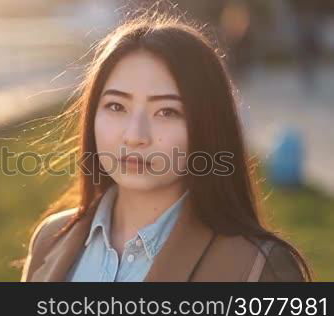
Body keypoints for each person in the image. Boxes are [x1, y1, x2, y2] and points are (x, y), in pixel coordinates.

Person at [20, 11, 313, 282]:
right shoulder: (51, 240)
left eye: (167, 112)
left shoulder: (258, 267)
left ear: (206, 126)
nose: (135, 136)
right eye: (116, 106)